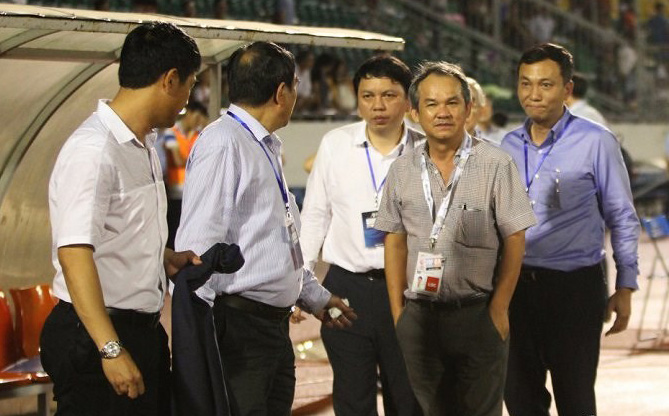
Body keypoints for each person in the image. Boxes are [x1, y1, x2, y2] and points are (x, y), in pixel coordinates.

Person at [175, 41, 356, 416]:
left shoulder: (261, 144)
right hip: (239, 332)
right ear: (281, 92)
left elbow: (276, 243)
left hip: (270, 329)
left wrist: (315, 297)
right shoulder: (224, 143)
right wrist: (201, 341)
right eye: (296, 86)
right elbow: (197, 249)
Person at [40, 22, 202, 416]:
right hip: (96, 337)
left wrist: (163, 257)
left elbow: (117, 233)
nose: (187, 100)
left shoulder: (141, 144)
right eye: (189, 86)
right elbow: (74, 253)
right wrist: (110, 349)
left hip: (138, 331)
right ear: (170, 80)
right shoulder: (95, 150)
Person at [374, 61, 536, 416]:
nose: (442, 112)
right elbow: (394, 240)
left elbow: (515, 238)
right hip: (419, 317)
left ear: (468, 108)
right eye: (431, 104)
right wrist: (399, 313)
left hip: (477, 314)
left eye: (452, 102)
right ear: (414, 113)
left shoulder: (496, 164)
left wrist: (499, 308)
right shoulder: (401, 170)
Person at [501, 43, 640, 416]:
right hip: (514, 289)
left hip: (574, 290)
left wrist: (625, 285)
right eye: (525, 83)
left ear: (567, 89)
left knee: (575, 400)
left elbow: (621, 215)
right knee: (520, 400)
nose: (533, 94)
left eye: (545, 84)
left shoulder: (596, 141)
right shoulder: (506, 145)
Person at [300, 55, 423, 416]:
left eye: (388, 95)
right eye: (368, 96)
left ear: (407, 100)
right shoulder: (335, 144)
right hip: (347, 291)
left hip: (409, 291)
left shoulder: (426, 149)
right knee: (352, 399)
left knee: (409, 400)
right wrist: (301, 284)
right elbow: (315, 215)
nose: (377, 105)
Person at [163, 100, 208, 249]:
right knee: (174, 232)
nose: (198, 122)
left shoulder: (199, 134)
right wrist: (197, 159)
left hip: (194, 193)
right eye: (196, 118)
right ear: (188, 113)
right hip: (176, 192)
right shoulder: (171, 132)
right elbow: (177, 160)